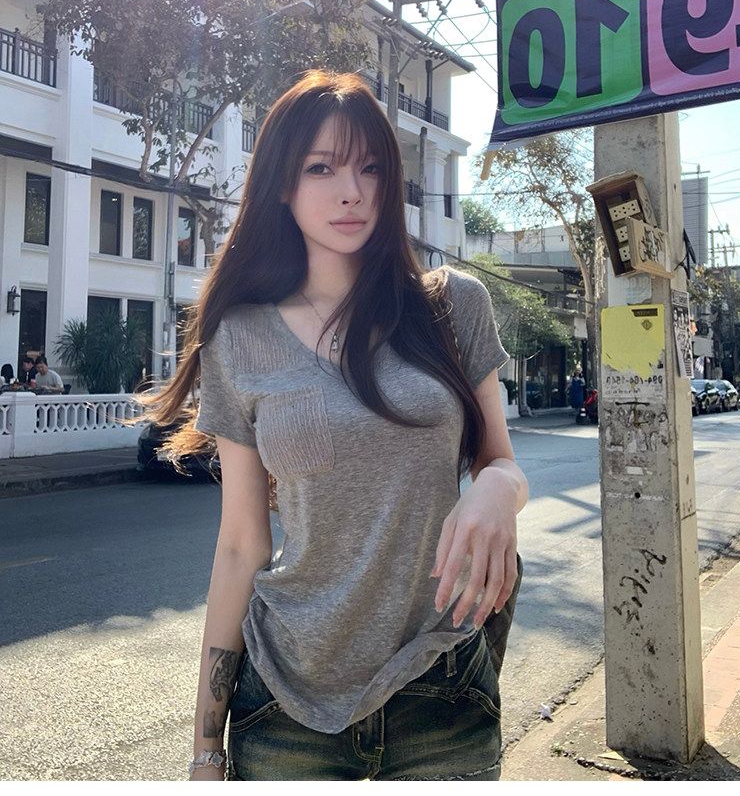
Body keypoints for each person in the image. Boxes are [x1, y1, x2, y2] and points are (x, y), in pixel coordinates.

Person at [144, 71, 528, 782]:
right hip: (286, 704)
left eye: (369, 167)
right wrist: (204, 749)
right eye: (321, 168)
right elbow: (240, 545)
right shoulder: (241, 337)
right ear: (282, 186)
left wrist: (498, 488)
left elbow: (498, 462)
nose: (351, 191)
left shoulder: (451, 308)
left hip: (440, 691)